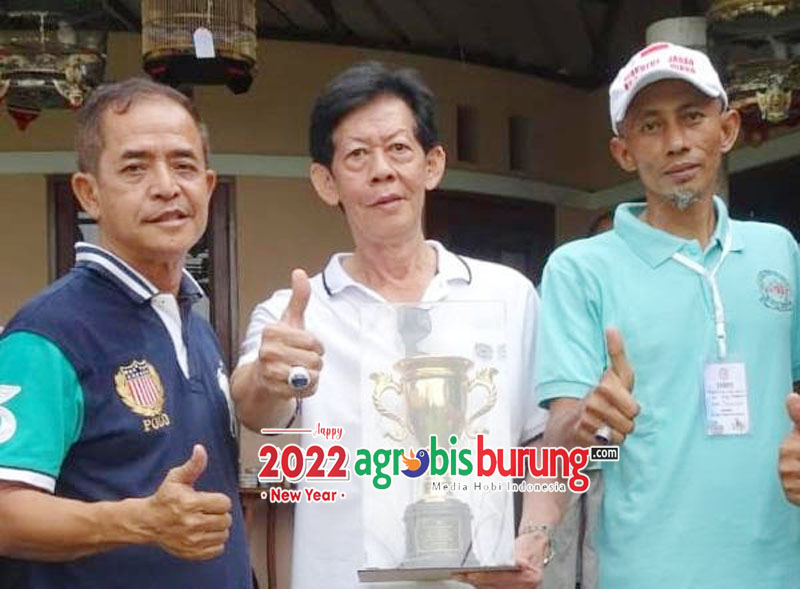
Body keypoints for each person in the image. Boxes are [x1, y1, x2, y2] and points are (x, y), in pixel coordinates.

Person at [231, 61, 557, 588]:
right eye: (358, 155)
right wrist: (269, 378)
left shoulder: (509, 296)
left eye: (399, 149)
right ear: (326, 182)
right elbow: (254, 407)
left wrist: (536, 531)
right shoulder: (292, 316)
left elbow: (545, 438)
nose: (382, 170)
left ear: (432, 164)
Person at [536, 42, 800, 588]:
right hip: (647, 573)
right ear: (623, 152)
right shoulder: (579, 269)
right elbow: (560, 436)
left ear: (727, 129)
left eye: (693, 117)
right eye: (651, 126)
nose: (676, 142)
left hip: (782, 568)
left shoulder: (779, 250)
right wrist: (588, 418)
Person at [0, 78, 252, 588]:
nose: (166, 186)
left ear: (207, 186)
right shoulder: (48, 333)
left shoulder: (194, 325)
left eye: (183, 165)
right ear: (88, 193)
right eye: (135, 167)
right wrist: (140, 522)